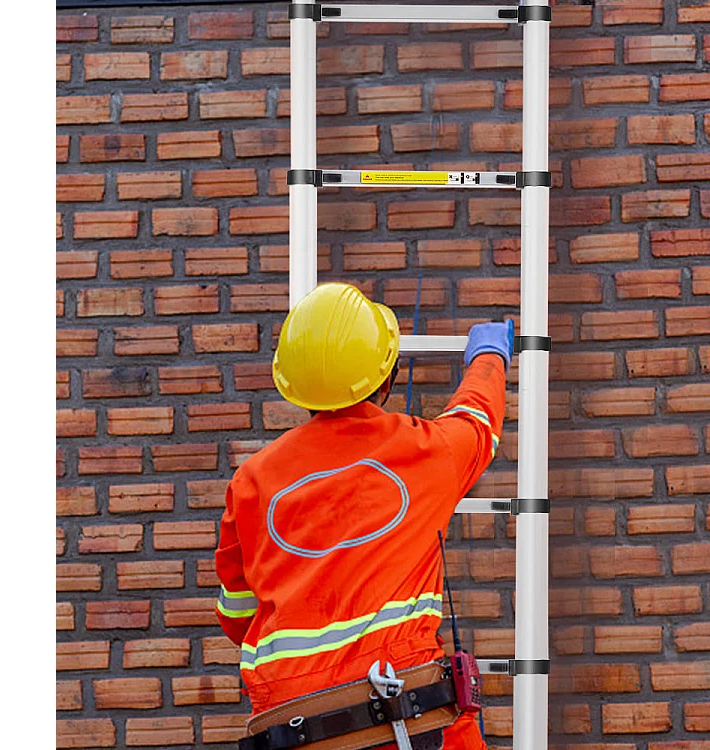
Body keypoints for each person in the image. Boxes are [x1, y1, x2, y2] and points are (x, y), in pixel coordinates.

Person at [214, 282, 512, 750]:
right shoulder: (426, 452)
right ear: (387, 377)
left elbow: (237, 616)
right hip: (409, 713)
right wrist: (489, 357)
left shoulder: (251, 482)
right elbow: (477, 419)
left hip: (291, 724)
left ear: (295, 387)